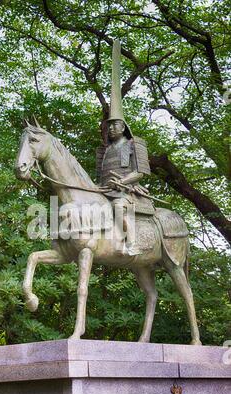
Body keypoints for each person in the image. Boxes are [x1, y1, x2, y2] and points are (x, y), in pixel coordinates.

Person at [96, 40, 155, 256]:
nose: (111, 128)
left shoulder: (133, 144)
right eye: (109, 125)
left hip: (127, 192)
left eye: (116, 124)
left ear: (124, 126)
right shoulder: (104, 150)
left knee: (119, 207)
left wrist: (122, 181)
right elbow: (100, 176)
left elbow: (140, 172)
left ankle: (132, 243)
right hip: (104, 190)